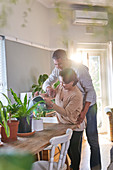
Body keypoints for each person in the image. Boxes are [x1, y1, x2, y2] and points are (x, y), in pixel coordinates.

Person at [42, 49, 101, 170]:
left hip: (88, 106)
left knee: (92, 139)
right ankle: (75, 167)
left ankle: (96, 168)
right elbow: (47, 82)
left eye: (60, 64)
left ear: (66, 59)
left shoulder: (80, 69)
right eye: (56, 65)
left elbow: (90, 91)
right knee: (74, 141)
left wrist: (83, 113)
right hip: (73, 107)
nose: (58, 67)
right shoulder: (58, 70)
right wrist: (48, 88)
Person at [42, 68, 86, 170]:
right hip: (63, 124)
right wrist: (43, 96)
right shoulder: (61, 87)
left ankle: (75, 168)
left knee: (73, 150)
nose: (61, 85)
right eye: (60, 81)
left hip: (75, 125)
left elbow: (66, 113)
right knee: (67, 150)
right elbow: (54, 97)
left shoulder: (77, 95)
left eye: (64, 83)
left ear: (72, 82)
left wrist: (52, 104)